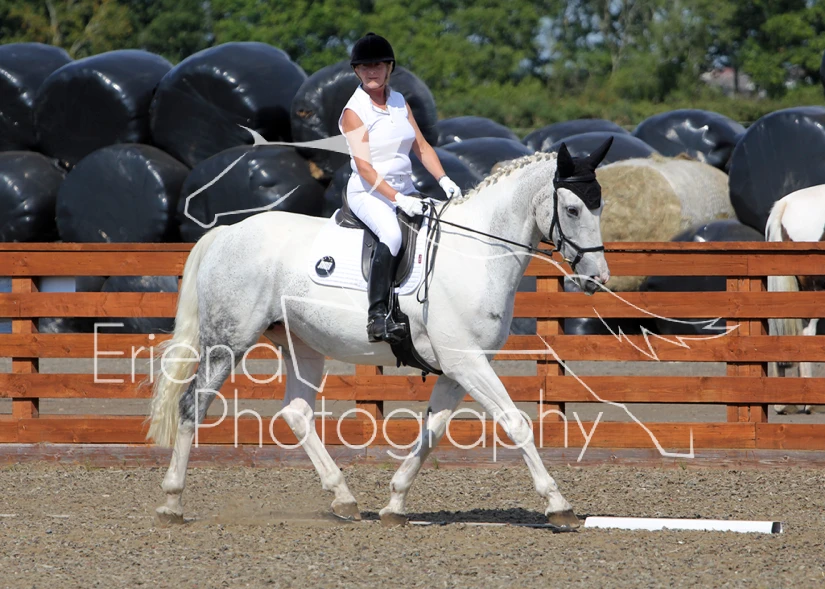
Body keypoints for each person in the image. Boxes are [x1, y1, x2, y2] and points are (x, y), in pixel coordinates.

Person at [338, 32, 462, 343]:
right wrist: (397, 199)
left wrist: (444, 180)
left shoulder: (398, 102)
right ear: (356, 71)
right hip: (368, 192)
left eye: (378, 65)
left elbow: (421, 146)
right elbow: (364, 168)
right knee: (392, 235)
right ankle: (377, 317)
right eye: (365, 67)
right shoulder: (354, 111)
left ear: (389, 68)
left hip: (404, 188)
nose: (371, 71)